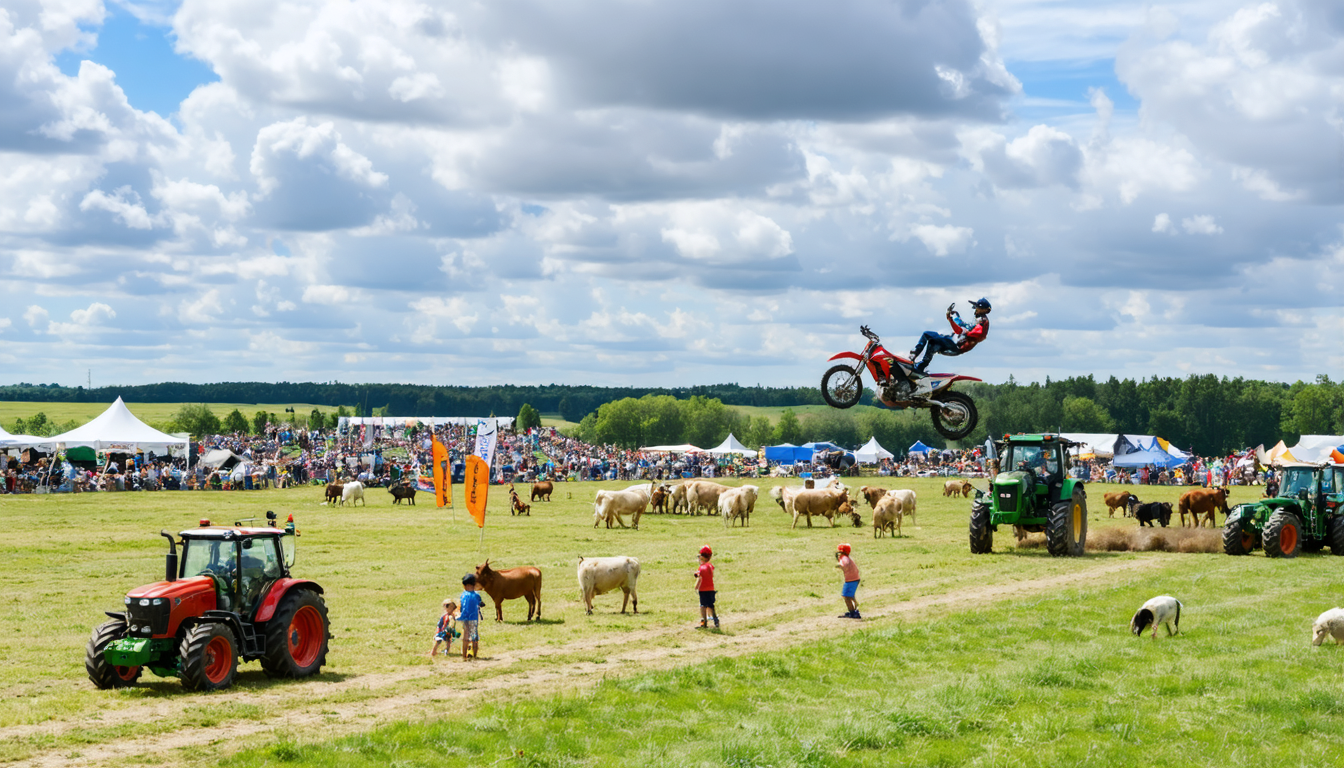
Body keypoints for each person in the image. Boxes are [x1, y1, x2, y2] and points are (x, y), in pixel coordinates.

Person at [907, 298, 992, 396]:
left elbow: (964, 331)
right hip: (956, 344)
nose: (975, 309)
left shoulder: (982, 321)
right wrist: (955, 317)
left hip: (956, 345)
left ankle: (913, 355)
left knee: (927, 334)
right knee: (932, 343)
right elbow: (963, 326)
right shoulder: (979, 320)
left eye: (977, 307)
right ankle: (920, 368)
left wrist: (952, 321)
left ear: (984, 309)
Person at [458, 574, 483, 660]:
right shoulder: (476, 595)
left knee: (466, 634)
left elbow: (462, 605)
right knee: (474, 636)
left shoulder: (463, 595)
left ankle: (464, 655)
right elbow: (480, 603)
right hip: (474, 618)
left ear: (467, 585)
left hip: (465, 617)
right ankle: (475, 654)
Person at [694, 545, 719, 629]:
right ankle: (715, 619)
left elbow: (700, 577)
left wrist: (696, 586)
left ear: (701, 557)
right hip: (711, 589)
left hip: (703, 590)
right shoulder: (710, 566)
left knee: (703, 606)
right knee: (711, 605)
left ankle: (704, 622)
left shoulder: (701, 568)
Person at [835, 543, 861, 619]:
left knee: (846, 596)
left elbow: (845, 564)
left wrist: (840, 566)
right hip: (854, 579)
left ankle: (853, 612)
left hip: (851, 580)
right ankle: (853, 609)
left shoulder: (844, 558)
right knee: (848, 595)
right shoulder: (846, 557)